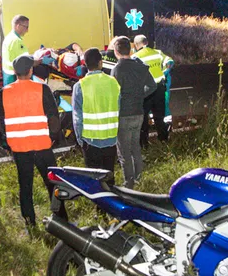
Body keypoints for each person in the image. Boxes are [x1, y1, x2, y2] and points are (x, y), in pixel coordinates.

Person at [0, 54, 68, 228]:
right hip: (42, 146)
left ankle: (30, 223)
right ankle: (61, 221)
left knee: (25, 187)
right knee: (53, 184)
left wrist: (7, 144)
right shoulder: (41, 89)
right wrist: (53, 138)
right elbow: (53, 118)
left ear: (15, 72)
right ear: (30, 70)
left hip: (20, 149)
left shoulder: (4, 92)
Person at [111, 36, 156, 188]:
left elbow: (114, 93)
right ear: (130, 50)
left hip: (123, 113)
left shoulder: (117, 69)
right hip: (138, 111)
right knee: (135, 146)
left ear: (116, 52)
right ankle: (138, 177)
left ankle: (128, 182)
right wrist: (139, 95)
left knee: (124, 151)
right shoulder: (140, 66)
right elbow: (152, 86)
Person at [72, 47, 120, 184]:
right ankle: (111, 203)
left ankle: (99, 204)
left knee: (94, 179)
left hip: (90, 140)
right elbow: (119, 108)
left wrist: (80, 140)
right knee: (109, 175)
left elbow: (77, 118)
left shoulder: (80, 86)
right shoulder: (113, 82)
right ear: (100, 63)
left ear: (86, 65)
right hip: (111, 139)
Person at [133, 34, 171, 146]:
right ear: (147, 42)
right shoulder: (158, 53)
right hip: (159, 89)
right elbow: (169, 62)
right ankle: (163, 141)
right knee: (159, 116)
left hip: (146, 91)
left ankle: (144, 144)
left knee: (143, 118)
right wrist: (164, 73)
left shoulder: (135, 57)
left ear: (136, 45)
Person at [1, 15, 33, 86]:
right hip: (14, 77)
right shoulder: (16, 41)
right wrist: (40, 60)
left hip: (8, 76)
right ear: (18, 26)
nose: (27, 30)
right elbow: (24, 62)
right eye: (26, 27)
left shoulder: (9, 37)